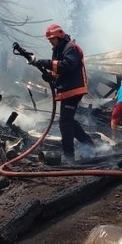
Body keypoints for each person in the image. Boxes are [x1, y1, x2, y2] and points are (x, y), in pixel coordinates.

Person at [31, 24, 95, 162]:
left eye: (52, 39)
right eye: (49, 40)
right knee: (68, 120)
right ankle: (88, 144)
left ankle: (69, 157)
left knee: (65, 122)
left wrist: (46, 63)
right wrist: (50, 76)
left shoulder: (71, 48)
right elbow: (58, 71)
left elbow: (68, 65)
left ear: (59, 36)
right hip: (67, 89)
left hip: (74, 89)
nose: (51, 42)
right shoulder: (59, 50)